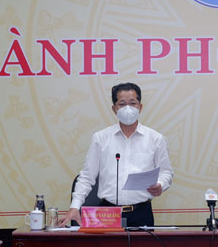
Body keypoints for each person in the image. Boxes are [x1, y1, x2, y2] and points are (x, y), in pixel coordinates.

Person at [59, 82, 174, 227]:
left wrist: (161, 184)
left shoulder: (155, 139)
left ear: (140, 107)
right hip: (107, 213)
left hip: (141, 212)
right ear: (114, 109)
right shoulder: (100, 138)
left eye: (133, 103)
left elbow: (166, 172)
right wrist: (75, 207)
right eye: (122, 104)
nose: (128, 108)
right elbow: (87, 176)